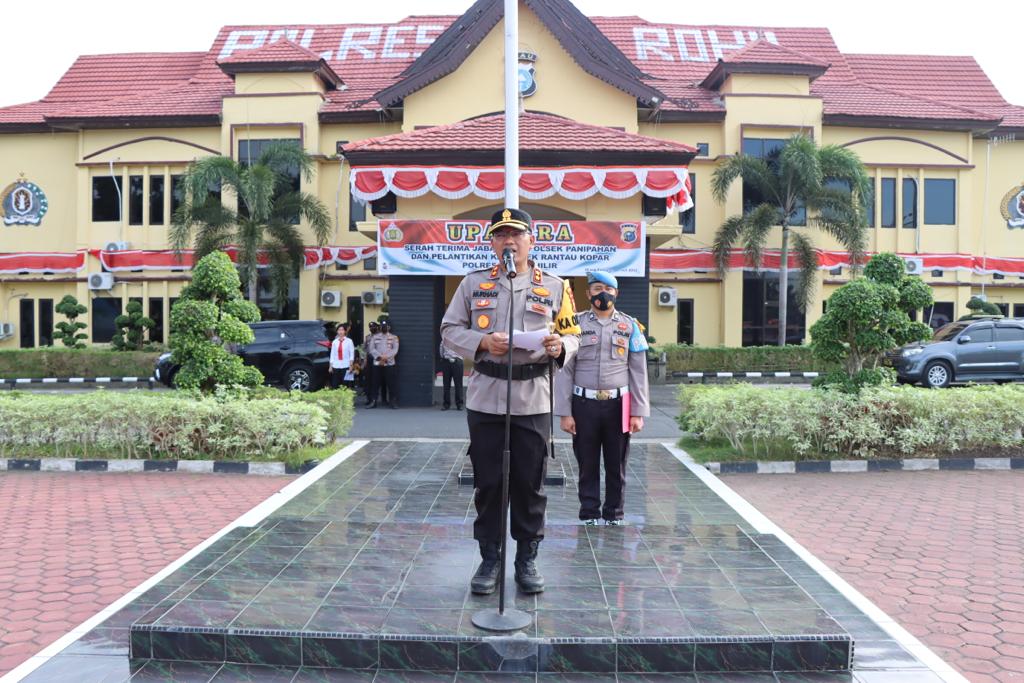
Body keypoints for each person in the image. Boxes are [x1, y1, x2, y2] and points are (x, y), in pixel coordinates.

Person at [441, 207, 580, 595]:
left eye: (516, 235)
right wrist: (482, 341)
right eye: (501, 235)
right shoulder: (473, 284)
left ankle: (526, 558)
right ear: (492, 243)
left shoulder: (555, 286)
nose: (509, 241)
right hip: (487, 397)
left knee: (529, 483)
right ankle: (489, 558)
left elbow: (574, 335)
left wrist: (560, 346)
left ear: (530, 241)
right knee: (488, 483)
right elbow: (449, 330)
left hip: (533, 399)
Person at [555, 270, 649, 526]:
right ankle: (589, 513)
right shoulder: (574, 325)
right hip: (583, 404)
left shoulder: (630, 326)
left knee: (616, 464)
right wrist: (564, 412)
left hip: (619, 406)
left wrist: (638, 412)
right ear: (588, 294)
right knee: (587, 463)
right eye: (597, 289)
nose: (603, 294)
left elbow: (638, 372)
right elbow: (564, 370)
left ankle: (614, 514)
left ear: (616, 293)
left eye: (608, 289)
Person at [368, 320, 399, 408]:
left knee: (391, 384)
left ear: (389, 327)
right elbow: (371, 349)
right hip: (377, 363)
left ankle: (393, 402)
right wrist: (380, 357)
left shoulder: (394, 337)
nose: (384, 328)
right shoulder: (375, 337)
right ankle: (373, 402)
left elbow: (395, 350)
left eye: (385, 326)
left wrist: (385, 358)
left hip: (389, 364)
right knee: (375, 384)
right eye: (382, 326)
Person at [329, 323, 355, 390]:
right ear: (337, 331)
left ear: (345, 331)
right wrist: (330, 366)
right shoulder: (334, 342)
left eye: (342, 330)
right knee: (335, 385)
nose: (340, 331)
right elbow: (332, 355)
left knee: (346, 386)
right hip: (336, 365)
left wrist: (351, 365)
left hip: (346, 365)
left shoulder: (349, 341)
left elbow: (352, 354)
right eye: (339, 330)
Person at [439, 340, 464, 410]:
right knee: (446, 384)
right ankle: (447, 404)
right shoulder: (444, 340)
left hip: (457, 361)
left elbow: (464, 350)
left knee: (458, 384)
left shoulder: (461, 339)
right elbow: (441, 350)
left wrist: (459, 358)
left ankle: (459, 404)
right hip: (447, 362)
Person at [363, 321, 381, 406]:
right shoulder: (368, 337)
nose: (372, 328)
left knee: (375, 379)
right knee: (368, 379)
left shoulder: (380, 337)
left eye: (373, 327)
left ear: (377, 327)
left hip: (377, 359)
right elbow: (364, 349)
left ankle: (374, 399)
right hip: (369, 359)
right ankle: (369, 398)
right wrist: (364, 359)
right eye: (370, 327)